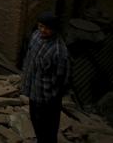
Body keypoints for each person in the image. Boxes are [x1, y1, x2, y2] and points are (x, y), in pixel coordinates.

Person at [21, 11, 71, 143]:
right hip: (34, 91)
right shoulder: (36, 36)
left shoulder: (59, 51)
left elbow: (62, 79)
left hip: (48, 98)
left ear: (54, 29)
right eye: (40, 26)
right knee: (36, 122)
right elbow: (29, 58)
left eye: (47, 28)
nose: (43, 30)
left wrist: (52, 97)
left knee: (48, 128)